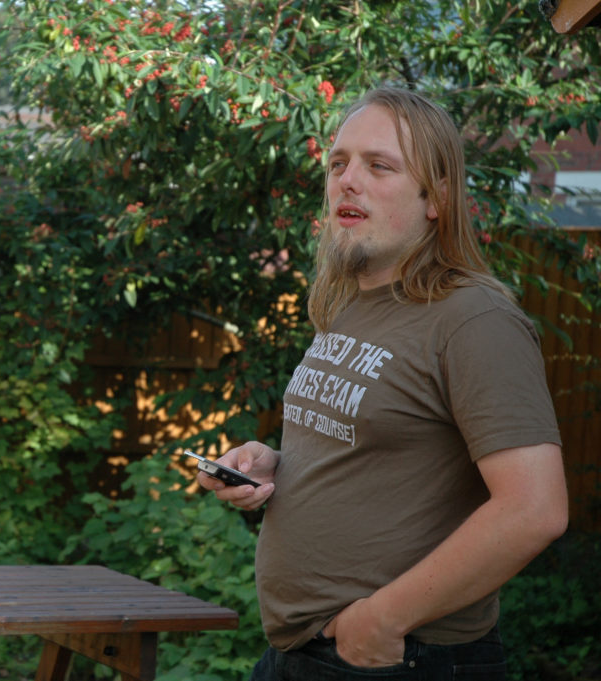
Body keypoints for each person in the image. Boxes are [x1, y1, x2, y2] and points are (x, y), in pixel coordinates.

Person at [197, 87, 568, 680]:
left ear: (436, 199)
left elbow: (535, 508)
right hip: (303, 654)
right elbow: (372, 446)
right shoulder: (352, 303)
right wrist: (274, 464)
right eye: (338, 163)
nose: (347, 180)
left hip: (396, 657)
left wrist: (384, 618)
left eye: (379, 166)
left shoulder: (474, 320)